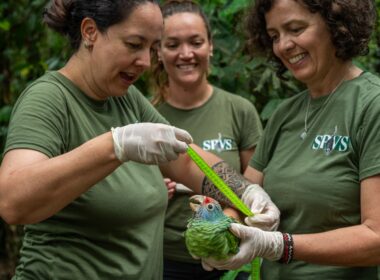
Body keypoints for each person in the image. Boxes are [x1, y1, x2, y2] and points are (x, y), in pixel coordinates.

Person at [0, 0, 280, 279]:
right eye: (134, 45)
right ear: (90, 32)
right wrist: (115, 146)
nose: (146, 62)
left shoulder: (126, 99)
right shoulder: (48, 99)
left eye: (152, 47)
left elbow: (186, 159)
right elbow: (12, 202)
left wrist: (247, 195)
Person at [199, 0, 380, 279]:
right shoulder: (285, 113)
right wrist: (220, 229)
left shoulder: (371, 105)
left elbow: (375, 237)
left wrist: (282, 246)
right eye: (274, 36)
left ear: (337, 24)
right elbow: (243, 198)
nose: (283, 45)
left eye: (295, 29)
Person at [149, 1, 264, 279]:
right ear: (159, 52)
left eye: (196, 42)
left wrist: (226, 224)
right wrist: (150, 190)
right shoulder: (145, 116)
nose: (186, 53)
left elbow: (256, 183)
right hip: (163, 262)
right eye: (173, 44)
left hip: (230, 257)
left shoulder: (239, 110)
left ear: (210, 46)